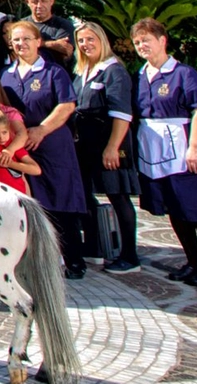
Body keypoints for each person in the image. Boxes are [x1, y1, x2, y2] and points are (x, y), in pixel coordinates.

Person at [131, 18, 197, 287]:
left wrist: (195, 148)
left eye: (146, 40)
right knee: (175, 207)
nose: (142, 45)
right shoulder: (140, 76)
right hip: (155, 150)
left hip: (183, 146)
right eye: (137, 42)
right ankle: (192, 261)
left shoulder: (184, 74)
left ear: (162, 41)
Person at [1, 21, 86, 278]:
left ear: (38, 41)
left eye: (27, 39)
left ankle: (73, 260)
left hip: (52, 144)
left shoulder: (54, 72)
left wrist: (41, 130)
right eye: (16, 40)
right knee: (30, 204)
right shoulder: (6, 75)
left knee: (61, 201)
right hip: (22, 147)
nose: (21, 44)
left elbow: (66, 106)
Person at [71, 20, 142, 274]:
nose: (85, 44)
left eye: (91, 39)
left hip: (109, 141)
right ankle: (94, 246)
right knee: (84, 193)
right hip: (85, 144)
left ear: (102, 40)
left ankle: (129, 255)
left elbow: (122, 113)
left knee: (117, 195)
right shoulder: (83, 71)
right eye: (81, 40)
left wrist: (113, 147)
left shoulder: (114, 71)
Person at [0, 107, 40, 195]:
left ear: (9, 129)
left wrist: (11, 164)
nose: (1, 138)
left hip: (16, 195)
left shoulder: (12, 145)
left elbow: (36, 170)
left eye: (4, 132)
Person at [22, 0, 76, 66]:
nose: (39, 6)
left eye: (43, 1)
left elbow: (66, 50)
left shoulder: (63, 25)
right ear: (27, 2)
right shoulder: (22, 25)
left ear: (51, 1)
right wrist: (52, 44)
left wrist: (36, 43)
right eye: (35, 2)